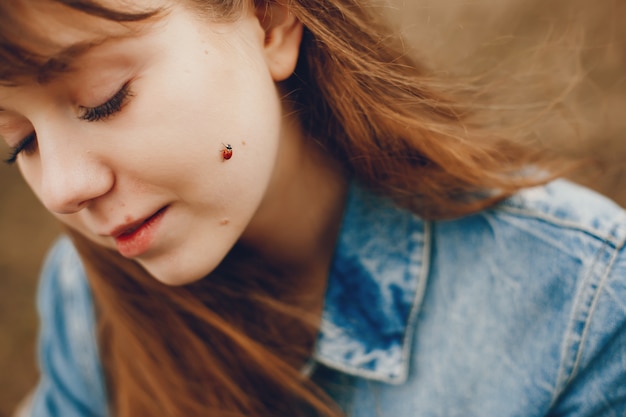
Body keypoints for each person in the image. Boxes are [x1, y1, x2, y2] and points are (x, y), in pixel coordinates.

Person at [2, 0, 625, 416]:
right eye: (19, 143)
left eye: (104, 100)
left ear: (269, 21)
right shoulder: (85, 297)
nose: (61, 188)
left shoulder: (580, 307)